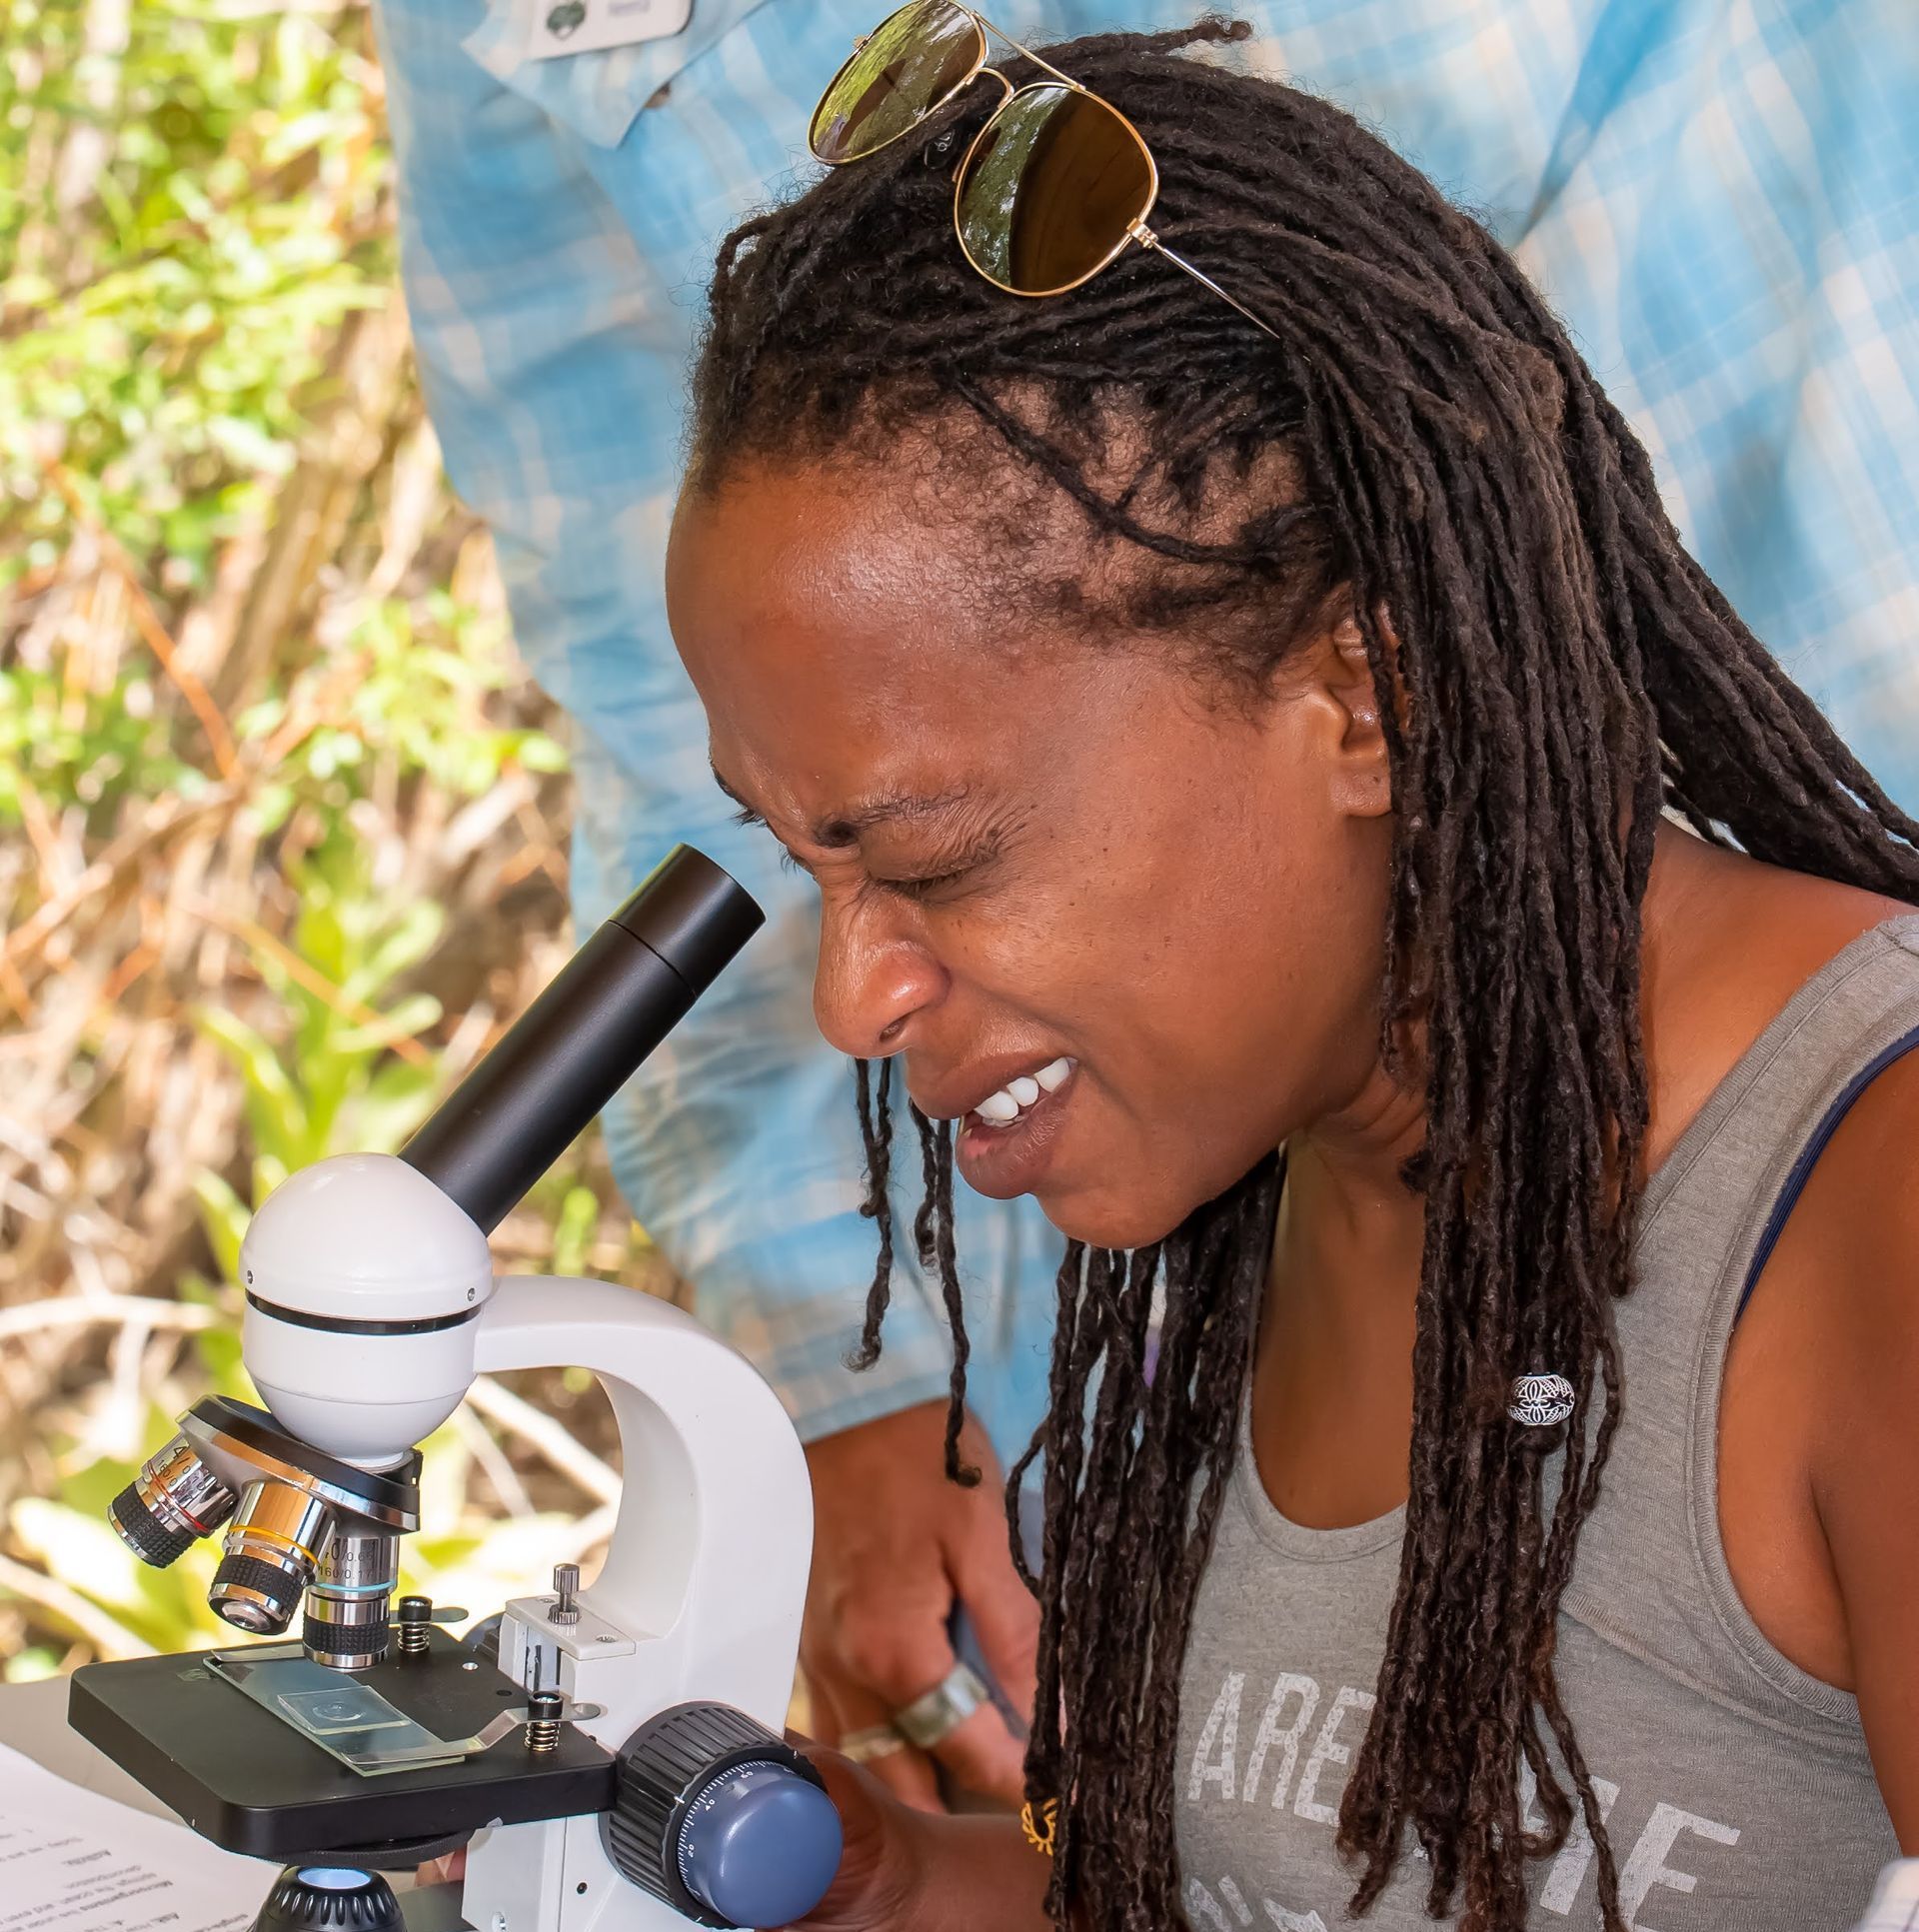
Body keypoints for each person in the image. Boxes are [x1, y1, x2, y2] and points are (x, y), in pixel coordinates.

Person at [375, 0, 1919, 1815]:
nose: (843, 1001)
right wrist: (856, 1370)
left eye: (929, 862)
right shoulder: (1253, 1221)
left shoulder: (1868, 1216)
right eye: (818, 873)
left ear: (1370, 691)